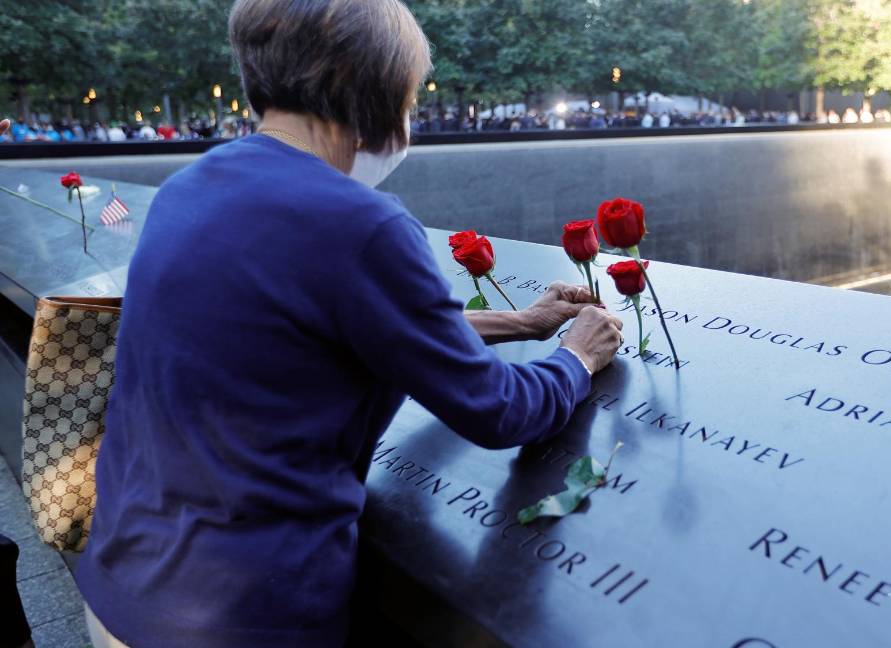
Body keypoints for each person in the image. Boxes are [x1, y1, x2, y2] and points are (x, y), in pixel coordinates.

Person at [75, 1, 624, 646]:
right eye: (410, 95)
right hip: (245, 616)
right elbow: (499, 412)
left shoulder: (188, 189)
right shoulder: (360, 224)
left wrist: (526, 322)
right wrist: (578, 356)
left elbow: (330, 331)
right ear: (370, 87)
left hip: (120, 590)